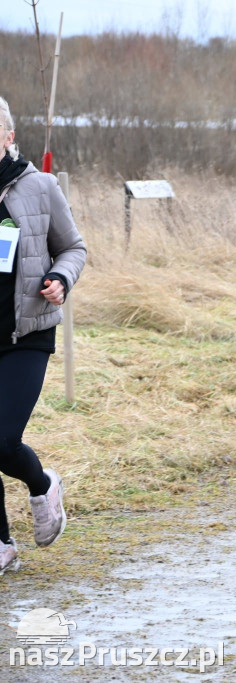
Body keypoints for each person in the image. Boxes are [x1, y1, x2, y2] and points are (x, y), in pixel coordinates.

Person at [0, 96, 85, 576]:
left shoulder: (39, 186)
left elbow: (73, 246)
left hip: (25, 333)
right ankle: (1, 544)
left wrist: (61, 279)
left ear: (9, 136)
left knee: (2, 441)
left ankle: (42, 485)